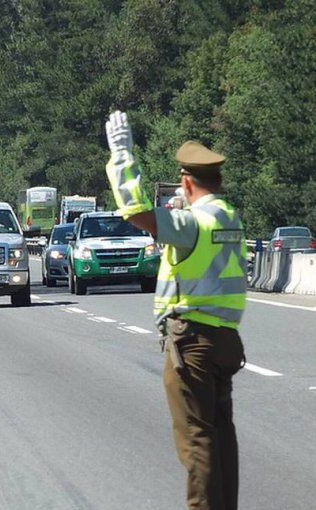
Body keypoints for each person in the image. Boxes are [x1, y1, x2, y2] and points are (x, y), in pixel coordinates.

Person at [104, 111, 247, 510]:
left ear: (186, 181)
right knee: (221, 434)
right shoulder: (229, 217)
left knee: (196, 439)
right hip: (225, 339)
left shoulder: (192, 222)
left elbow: (135, 213)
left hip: (193, 341)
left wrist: (122, 155)